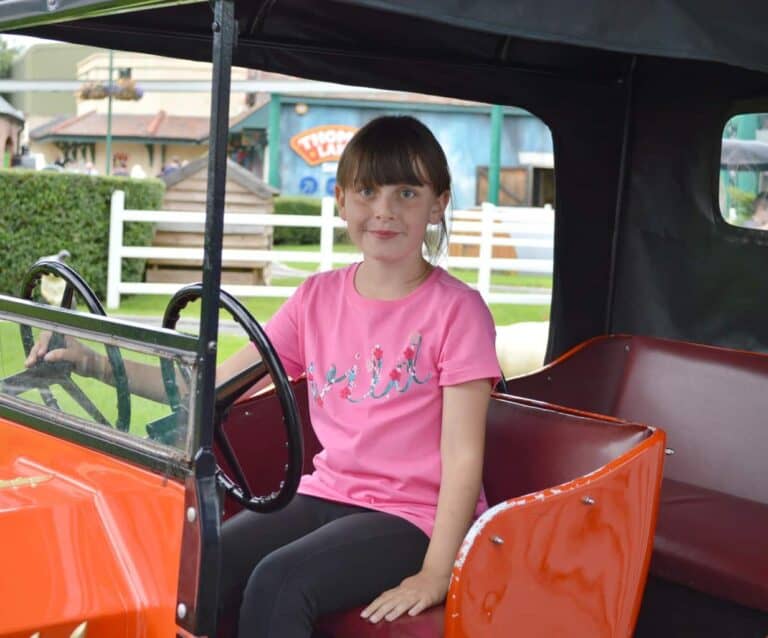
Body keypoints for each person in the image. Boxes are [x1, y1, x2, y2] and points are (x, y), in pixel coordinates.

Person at [26, 116, 500, 638]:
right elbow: (208, 387)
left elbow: (463, 456)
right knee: (202, 562)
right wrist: (92, 362)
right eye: (368, 191)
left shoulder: (457, 312)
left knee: (279, 582)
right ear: (341, 200)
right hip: (328, 493)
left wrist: (437, 572)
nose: (384, 210)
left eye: (406, 193)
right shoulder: (317, 299)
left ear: (438, 205)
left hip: (413, 517)